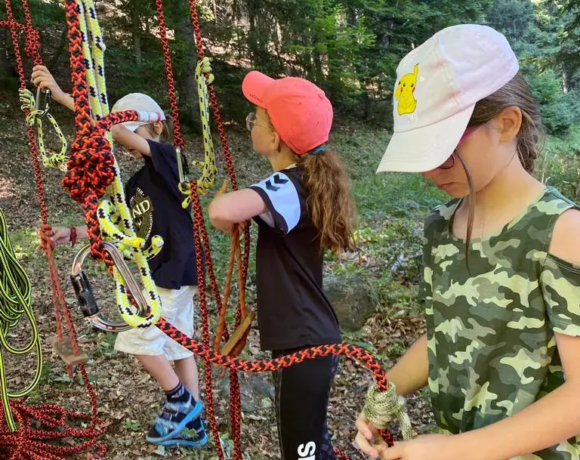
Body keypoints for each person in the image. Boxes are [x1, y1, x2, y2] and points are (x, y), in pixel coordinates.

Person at [354, 24, 580, 460]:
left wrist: (456, 450)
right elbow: (445, 333)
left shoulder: (561, 233)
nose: (429, 172)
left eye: (441, 152)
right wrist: (383, 394)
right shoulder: (440, 227)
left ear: (507, 123)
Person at [31, 66, 207, 449]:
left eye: (132, 132)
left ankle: (180, 402)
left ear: (155, 126)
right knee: (180, 348)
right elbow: (116, 228)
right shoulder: (133, 183)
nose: (125, 143)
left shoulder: (171, 160)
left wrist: (64, 98)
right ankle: (195, 421)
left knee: (138, 340)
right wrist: (72, 233)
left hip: (171, 269)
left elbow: (111, 127)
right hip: (164, 272)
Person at [208, 71, 356, 459]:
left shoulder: (288, 185)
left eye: (255, 119)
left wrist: (229, 215)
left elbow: (220, 210)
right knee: (307, 441)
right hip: (307, 337)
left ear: (274, 139)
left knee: (301, 451)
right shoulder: (302, 181)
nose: (250, 125)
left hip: (305, 341)